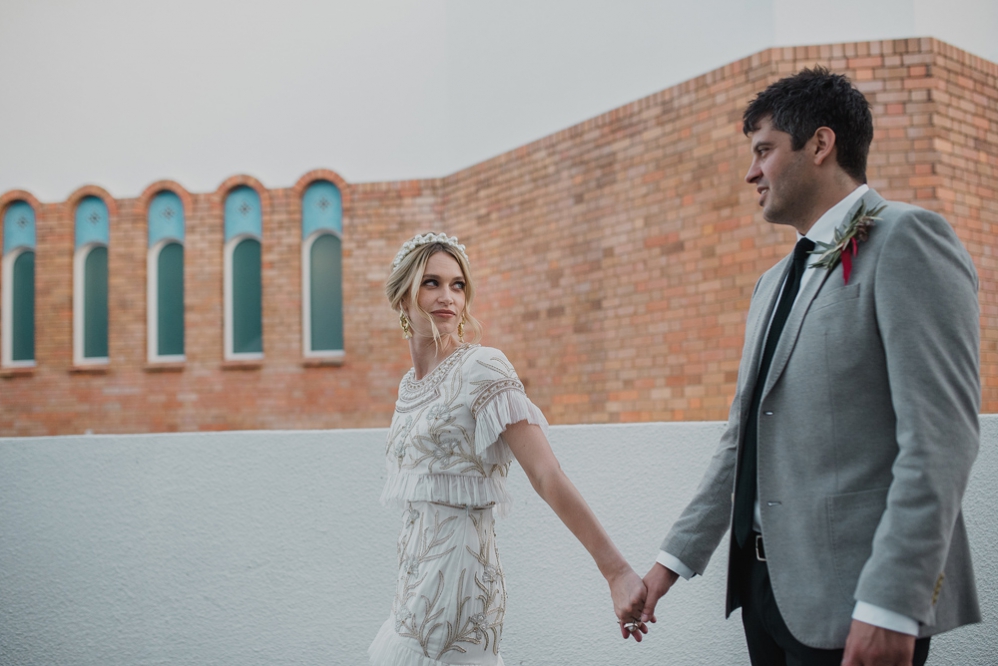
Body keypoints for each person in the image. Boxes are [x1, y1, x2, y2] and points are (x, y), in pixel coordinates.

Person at [640, 67, 981, 665]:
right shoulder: (770, 285)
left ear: (820, 145)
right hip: (763, 596)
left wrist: (892, 604)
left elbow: (940, 439)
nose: (751, 172)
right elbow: (741, 438)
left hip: (857, 604)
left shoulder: (907, 238)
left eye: (764, 151)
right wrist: (670, 564)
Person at [369, 232, 648, 665]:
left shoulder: (483, 367)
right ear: (403, 298)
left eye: (457, 285)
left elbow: (546, 474)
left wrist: (615, 571)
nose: (448, 296)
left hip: (461, 593)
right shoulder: (409, 387)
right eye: (431, 283)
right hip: (409, 592)